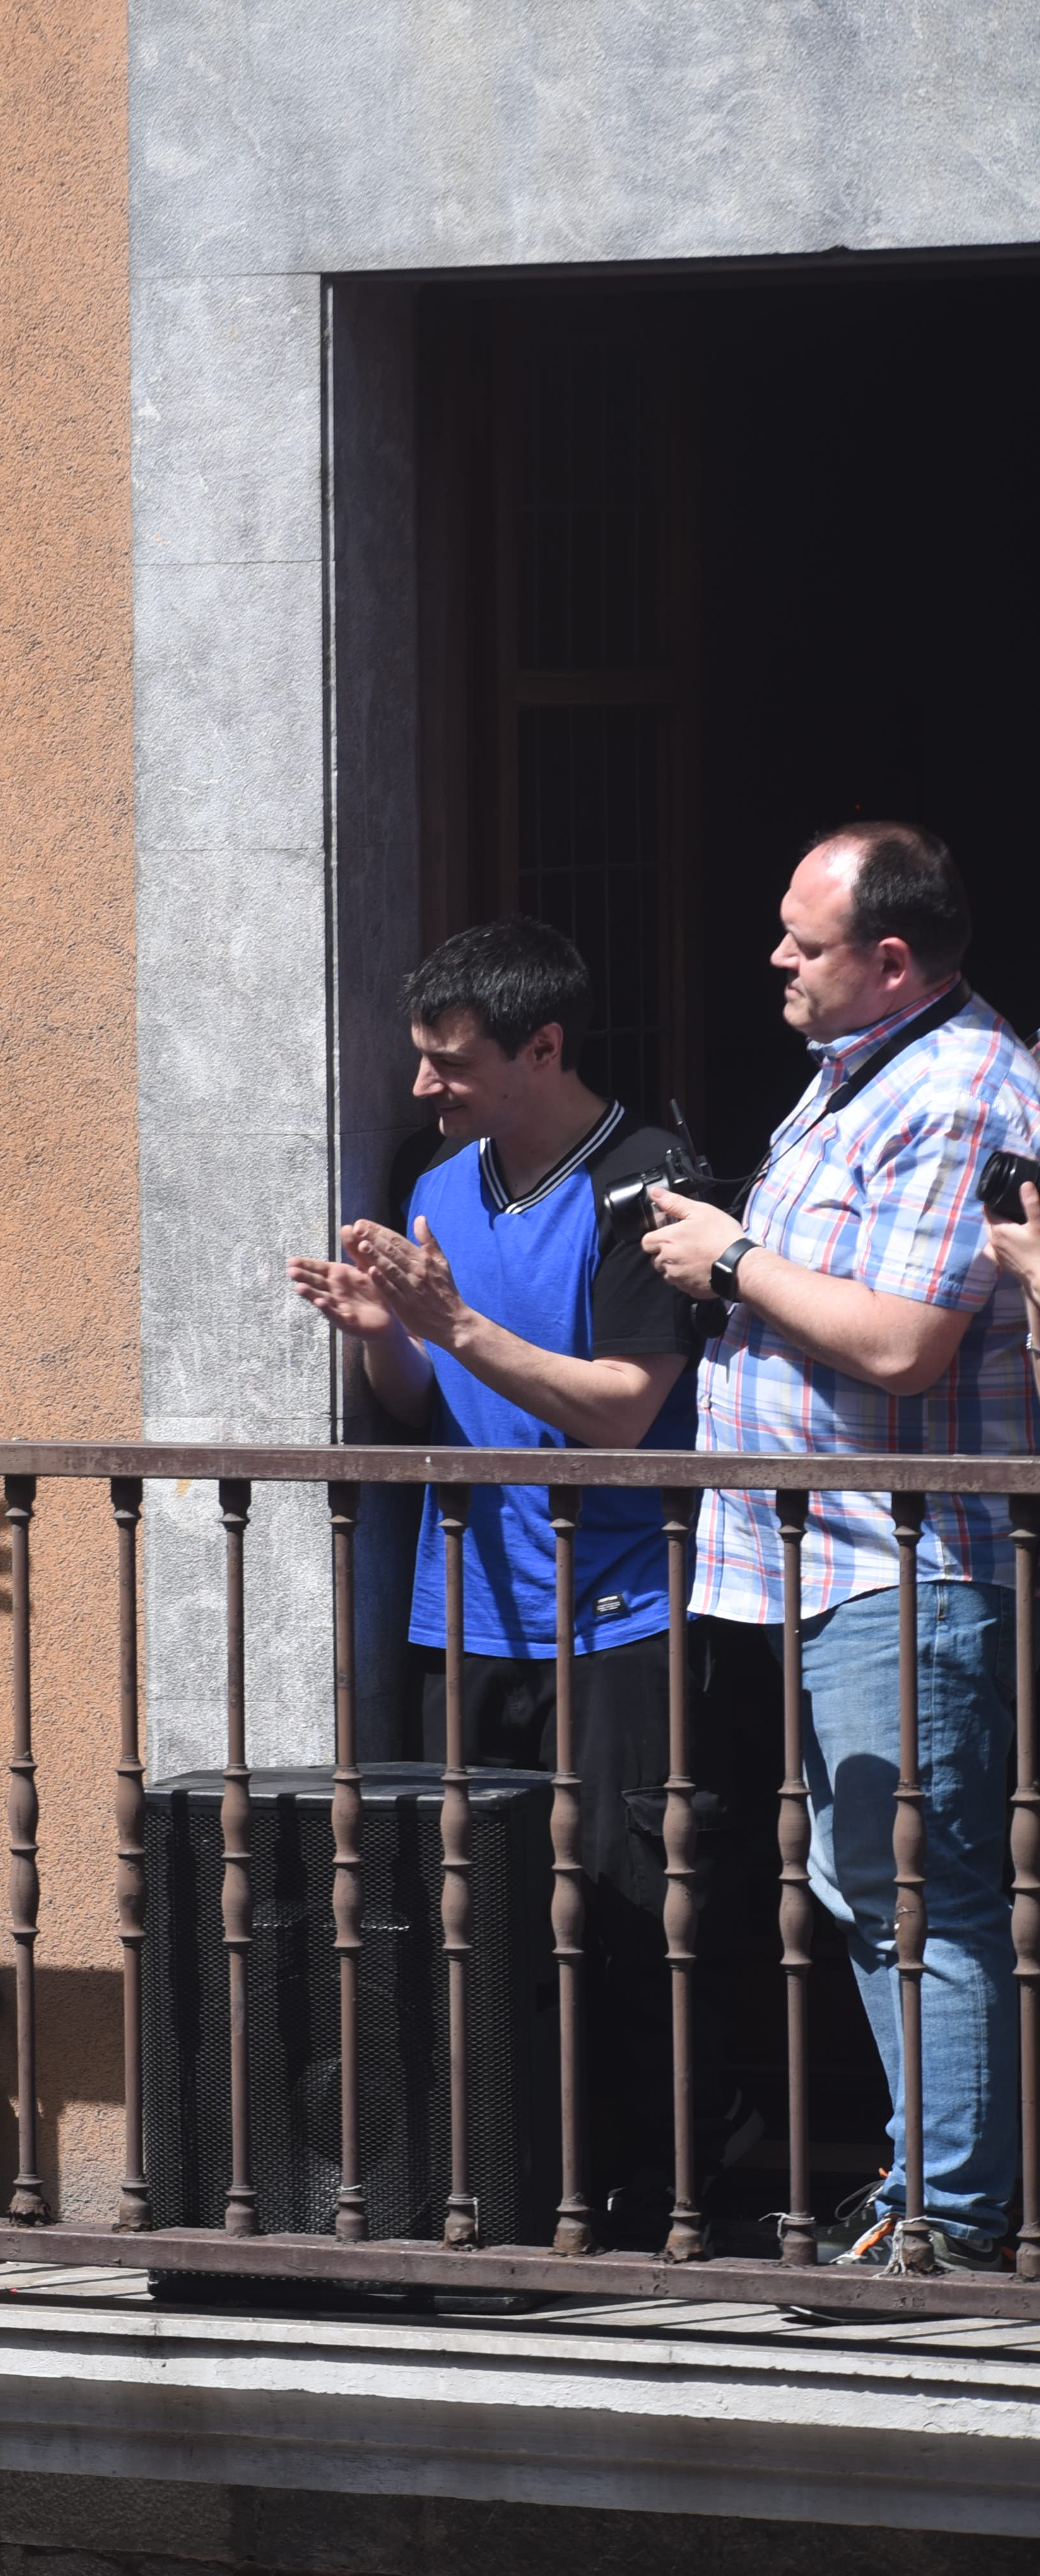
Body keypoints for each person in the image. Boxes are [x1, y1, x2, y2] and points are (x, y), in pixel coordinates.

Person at [641, 823, 1040, 2272]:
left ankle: (953, 2217)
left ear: (890, 958)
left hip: (906, 1561)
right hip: (834, 1560)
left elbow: (905, 1341)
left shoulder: (960, 1086)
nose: (774, 959)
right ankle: (929, 2187)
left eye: (801, 943)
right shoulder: (861, 1069)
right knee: (877, 1888)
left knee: (914, 1892)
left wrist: (733, 1259)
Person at [283, 919, 707, 2235]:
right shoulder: (435, 1178)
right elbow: (420, 1400)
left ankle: (651, 2191)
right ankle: (492, 2178)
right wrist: (386, 1336)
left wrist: (453, 1322)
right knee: (463, 1914)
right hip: (459, 1610)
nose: (423, 1087)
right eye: (421, 1058)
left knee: (620, 1920)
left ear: (543, 1047)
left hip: (615, 1614)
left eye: (452, 1062)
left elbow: (623, 1409)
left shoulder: (645, 1182)